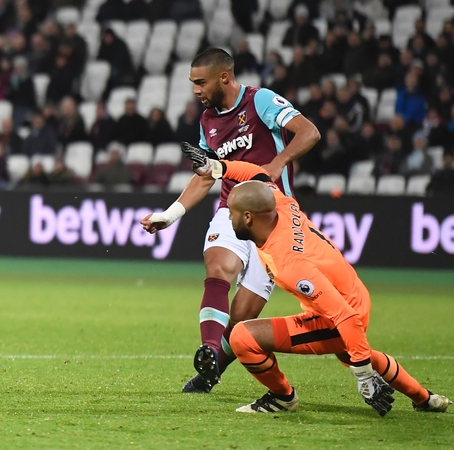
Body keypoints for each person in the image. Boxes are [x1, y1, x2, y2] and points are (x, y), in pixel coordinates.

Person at [182, 150, 451, 415]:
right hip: (353, 295)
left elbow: (344, 317)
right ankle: (425, 399)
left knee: (242, 336)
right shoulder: (281, 203)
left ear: (249, 218)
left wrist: (363, 374)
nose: (229, 219)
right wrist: (219, 168)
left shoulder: (290, 265)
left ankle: (282, 398)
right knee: (351, 352)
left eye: (232, 213)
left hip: (343, 315)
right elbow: (258, 173)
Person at [139, 48, 320, 394]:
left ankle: (210, 372)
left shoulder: (260, 101)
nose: (195, 90)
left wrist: (278, 163)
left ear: (224, 77)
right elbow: (206, 176)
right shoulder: (208, 121)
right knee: (219, 267)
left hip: (275, 219)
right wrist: (170, 215)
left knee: (242, 318)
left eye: (200, 82)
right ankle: (208, 348)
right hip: (231, 208)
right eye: (192, 83)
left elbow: (309, 132)